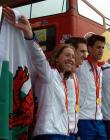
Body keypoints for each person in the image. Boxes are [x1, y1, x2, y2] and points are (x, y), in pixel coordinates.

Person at [3, 7, 77, 140]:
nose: (71, 59)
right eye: (67, 55)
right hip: (48, 133)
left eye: (73, 57)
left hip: (64, 133)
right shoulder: (49, 74)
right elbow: (38, 57)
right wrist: (29, 33)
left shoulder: (65, 80)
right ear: (56, 57)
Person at [76, 34, 107, 140]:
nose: (101, 50)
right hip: (83, 118)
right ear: (89, 48)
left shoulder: (99, 69)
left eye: (103, 47)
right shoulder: (80, 65)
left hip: (99, 119)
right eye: (98, 47)